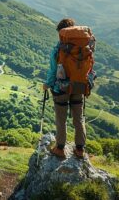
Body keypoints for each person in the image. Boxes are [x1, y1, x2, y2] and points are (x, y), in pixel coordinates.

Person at [43, 18, 87, 158]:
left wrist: (47, 84)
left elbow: (53, 70)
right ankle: (80, 149)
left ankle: (60, 148)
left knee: (61, 119)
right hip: (78, 86)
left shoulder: (58, 49)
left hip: (60, 88)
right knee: (78, 118)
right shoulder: (83, 47)